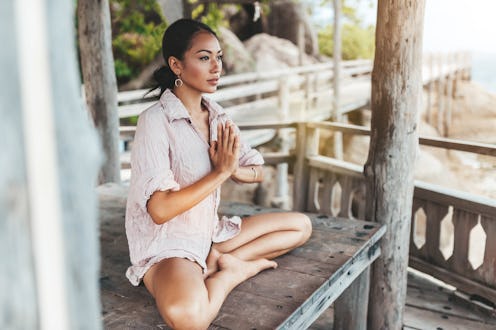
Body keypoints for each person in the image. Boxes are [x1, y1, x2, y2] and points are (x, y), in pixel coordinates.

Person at [125, 18, 312, 329]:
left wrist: (235, 170)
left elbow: (259, 170)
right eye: (204, 57)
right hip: (170, 245)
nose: (216, 67)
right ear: (177, 65)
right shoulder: (155, 121)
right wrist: (221, 172)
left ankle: (223, 260)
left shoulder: (217, 116)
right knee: (189, 318)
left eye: (219, 57)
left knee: (300, 227)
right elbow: (159, 209)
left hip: (208, 235)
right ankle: (232, 274)